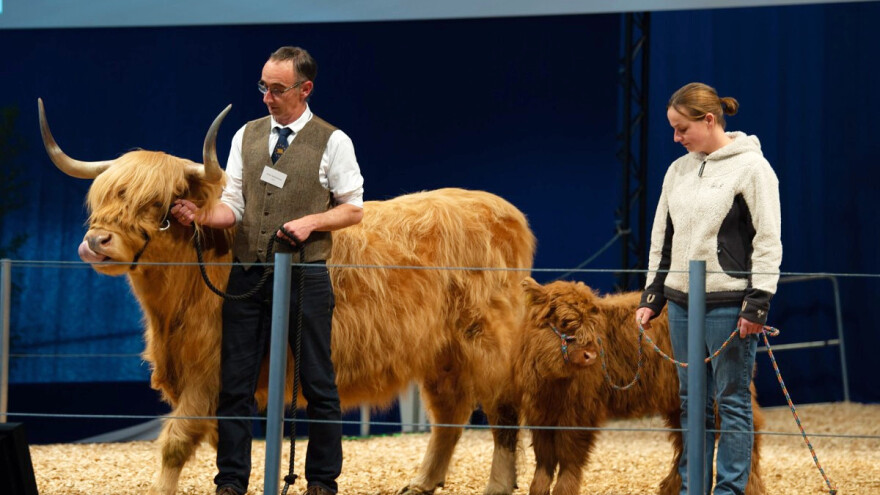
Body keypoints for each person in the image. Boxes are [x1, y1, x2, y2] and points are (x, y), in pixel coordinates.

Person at [171, 46, 364, 495]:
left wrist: (313, 221)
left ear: (305, 89)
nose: (267, 97)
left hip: (305, 275)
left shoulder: (333, 141)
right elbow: (234, 206)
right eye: (264, 87)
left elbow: (353, 209)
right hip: (248, 273)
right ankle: (231, 482)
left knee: (318, 381)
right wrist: (201, 215)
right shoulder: (247, 136)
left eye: (277, 89)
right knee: (235, 383)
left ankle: (322, 482)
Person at [634, 82, 782, 495]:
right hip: (681, 305)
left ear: (709, 120)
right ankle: (691, 488)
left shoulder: (752, 169)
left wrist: (757, 304)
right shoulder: (677, 170)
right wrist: (652, 296)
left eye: (682, 129)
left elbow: (768, 240)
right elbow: (661, 238)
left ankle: (729, 490)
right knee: (690, 401)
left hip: (729, 305)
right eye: (673, 129)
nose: (676, 138)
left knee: (732, 401)